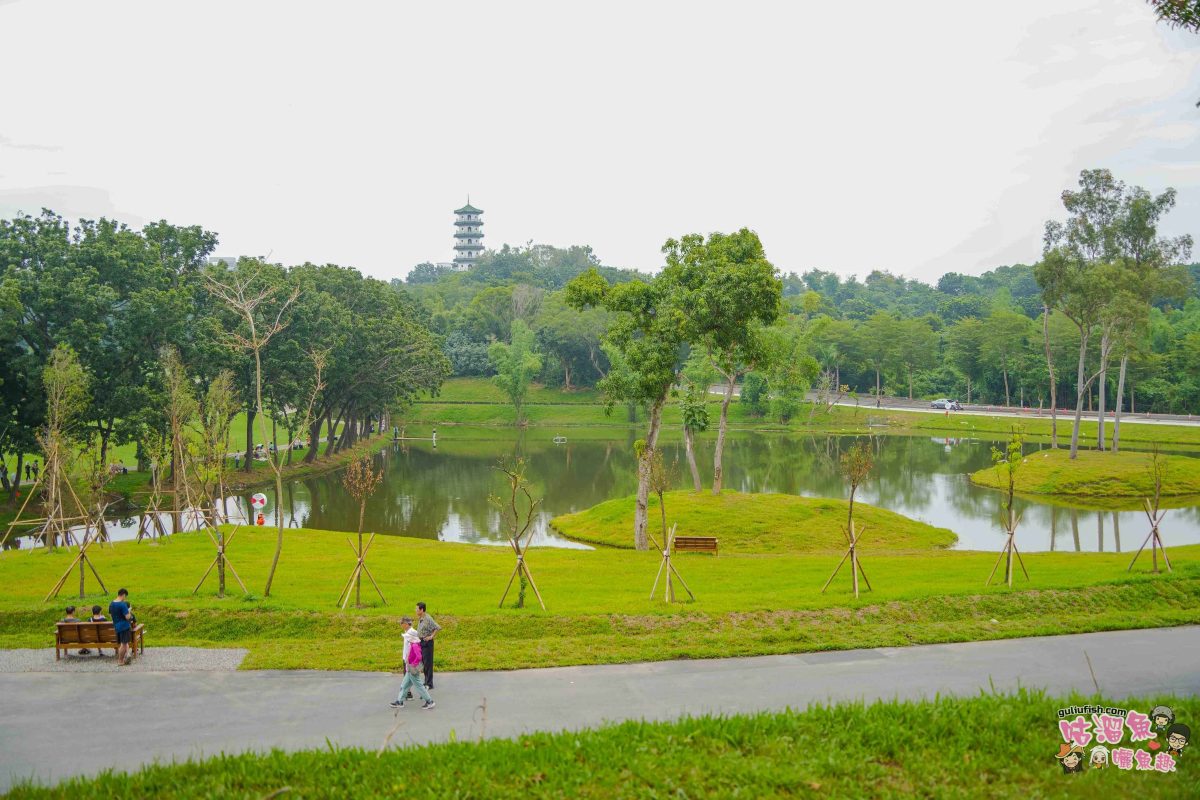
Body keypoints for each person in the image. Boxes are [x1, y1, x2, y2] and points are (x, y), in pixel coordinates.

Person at [389, 618, 435, 710]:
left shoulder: (414, 645)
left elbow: (419, 657)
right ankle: (400, 701)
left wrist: (412, 664)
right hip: (409, 668)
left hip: (412, 668)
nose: (406, 639)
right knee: (404, 685)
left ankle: (429, 701)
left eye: (407, 638)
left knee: (419, 686)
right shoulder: (413, 644)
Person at [415, 601, 441, 690]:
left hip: (427, 643)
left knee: (428, 664)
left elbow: (437, 627)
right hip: (421, 642)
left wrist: (431, 636)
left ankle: (429, 683)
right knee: (424, 663)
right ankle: (426, 681)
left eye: (417, 609)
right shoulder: (421, 618)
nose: (415, 610)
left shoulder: (428, 618)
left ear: (422, 610)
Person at [108, 588, 134, 666]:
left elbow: (110, 615)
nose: (125, 598)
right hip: (124, 626)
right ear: (123, 595)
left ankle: (127, 655)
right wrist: (129, 611)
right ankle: (120, 660)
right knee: (123, 644)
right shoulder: (122, 604)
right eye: (125, 596)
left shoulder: (112, 603)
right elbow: (127, 617)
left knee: (124, 643)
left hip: (117, 626)